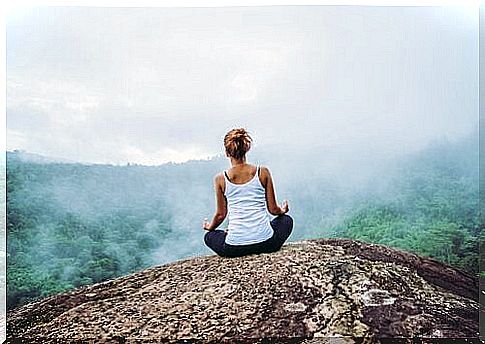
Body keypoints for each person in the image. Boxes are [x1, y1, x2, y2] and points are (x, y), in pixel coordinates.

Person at [203, 128, 293, 258]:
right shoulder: (262, 172)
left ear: (227, 153)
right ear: (246, 149)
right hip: (267, 243)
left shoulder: (220, 179)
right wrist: (283, 210)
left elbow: (220, 215)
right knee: (286, 220)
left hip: (234, 248)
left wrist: (209, 226)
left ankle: (234, 234)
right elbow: (273, 209)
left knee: (209, 236)